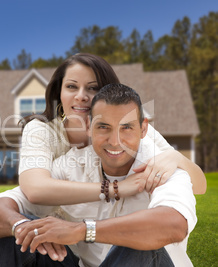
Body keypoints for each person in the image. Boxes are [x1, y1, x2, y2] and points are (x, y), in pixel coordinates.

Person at [0, 84, 197, 266]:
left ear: (143, 128)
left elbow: (173, 225)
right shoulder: (72, 165)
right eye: (103, 127)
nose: (115, 141)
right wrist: (20, 226)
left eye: (126, 128)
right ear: (88, 127)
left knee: (141, 244)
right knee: (19, 240)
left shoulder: (162, 166)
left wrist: (83, 230)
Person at [17, 53, 206, 208]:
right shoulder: (41, 130)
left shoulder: (131, 127)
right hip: (54, 230)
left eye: (92, 88)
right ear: (59, 92)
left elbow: (199, 186)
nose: (81, 96)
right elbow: (35, 189)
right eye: (71, 86)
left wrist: (176, 158)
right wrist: (116, 188)